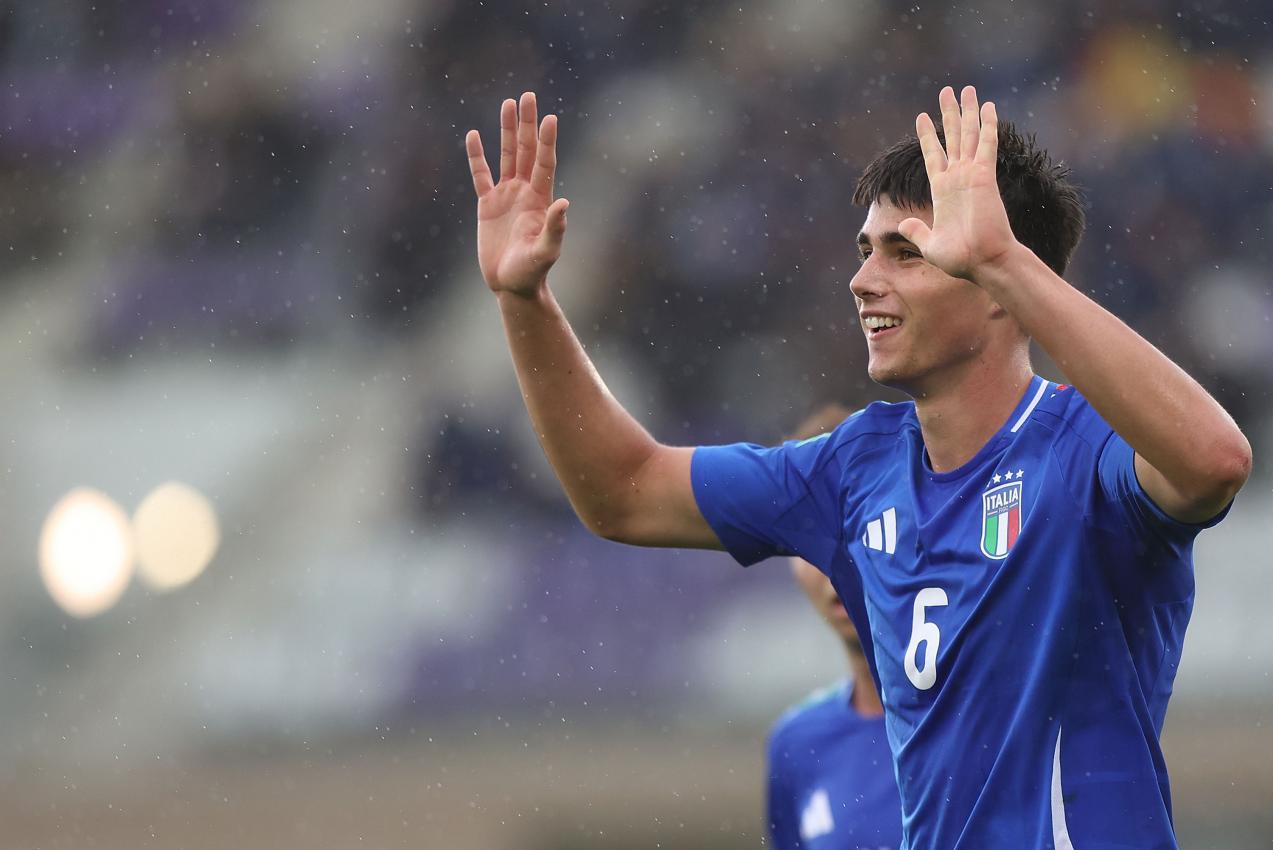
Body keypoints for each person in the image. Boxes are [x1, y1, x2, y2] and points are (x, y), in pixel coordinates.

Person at [464, 86, 1251, 849]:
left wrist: (1006, 261)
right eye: (865, 250)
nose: (861, 278)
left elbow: (1213, 460)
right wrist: (524, 301)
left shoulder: (1086, 449)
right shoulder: (854, 466)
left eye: (905, 253)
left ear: (998, 287)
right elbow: (625, 493)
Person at [767, 405, 903, 850]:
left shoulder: (988, 718)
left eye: (854, 534)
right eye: (808, 543)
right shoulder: (797, 745)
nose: (834, 567)